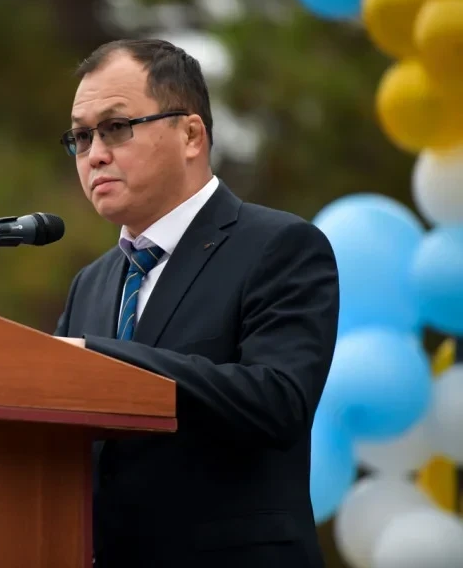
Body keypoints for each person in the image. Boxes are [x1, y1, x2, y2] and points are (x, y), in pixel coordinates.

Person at [53, 39, 340, 568]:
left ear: (190, 135)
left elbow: (277, 400)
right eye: (82, 136)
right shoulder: (90, 284)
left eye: (115, 127)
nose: (95, 154)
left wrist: (97, 360)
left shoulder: (280, 246)